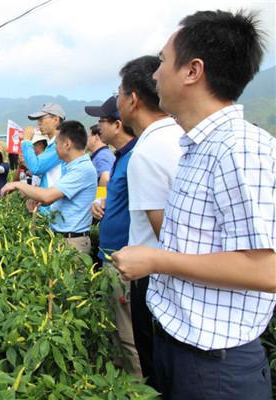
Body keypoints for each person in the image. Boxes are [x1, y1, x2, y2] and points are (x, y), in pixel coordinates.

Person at [113, 10, 275, 399]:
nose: (155, 75)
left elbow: (267, 268)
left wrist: (155, 261)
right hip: (184, 352)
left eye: (164, 61)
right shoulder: (196, 146)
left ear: (193, 71)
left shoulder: (239, 148)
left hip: (215, 369)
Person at [116, 55, 184, 390]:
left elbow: (166, 237)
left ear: (133, 99)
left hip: (156, 281)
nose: (117, 101)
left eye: (119, 93)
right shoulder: (181, 136)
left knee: (156, 375)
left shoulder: (147, 152)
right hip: (180, 284)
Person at [85, 95, 141, 376]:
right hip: (110, 257)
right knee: (115, 329)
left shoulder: (136, 157)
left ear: (118, 125)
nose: (97, 127)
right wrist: (103, 204)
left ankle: (137, 390)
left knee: (129, 334)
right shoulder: (120, 158)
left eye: (101, 122)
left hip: (125, 261)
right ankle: (118, 383)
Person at [1, 120, 97, 253]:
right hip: (64, 238)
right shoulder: (72, 167)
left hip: (73, 243)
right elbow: (52, 197)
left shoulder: (81, 169)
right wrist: (38, 200)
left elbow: (47, 196)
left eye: (56, 144)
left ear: (67, 144)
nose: (55, 149)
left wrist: (16, 184)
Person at [20, 103, 66, 213]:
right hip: (49, 207)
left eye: (41, 119)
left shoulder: (60, 144)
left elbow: (36, 167)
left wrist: (26, 140)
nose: (38, 123)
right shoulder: (52, 145)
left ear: (56, 119)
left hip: (55, 211)